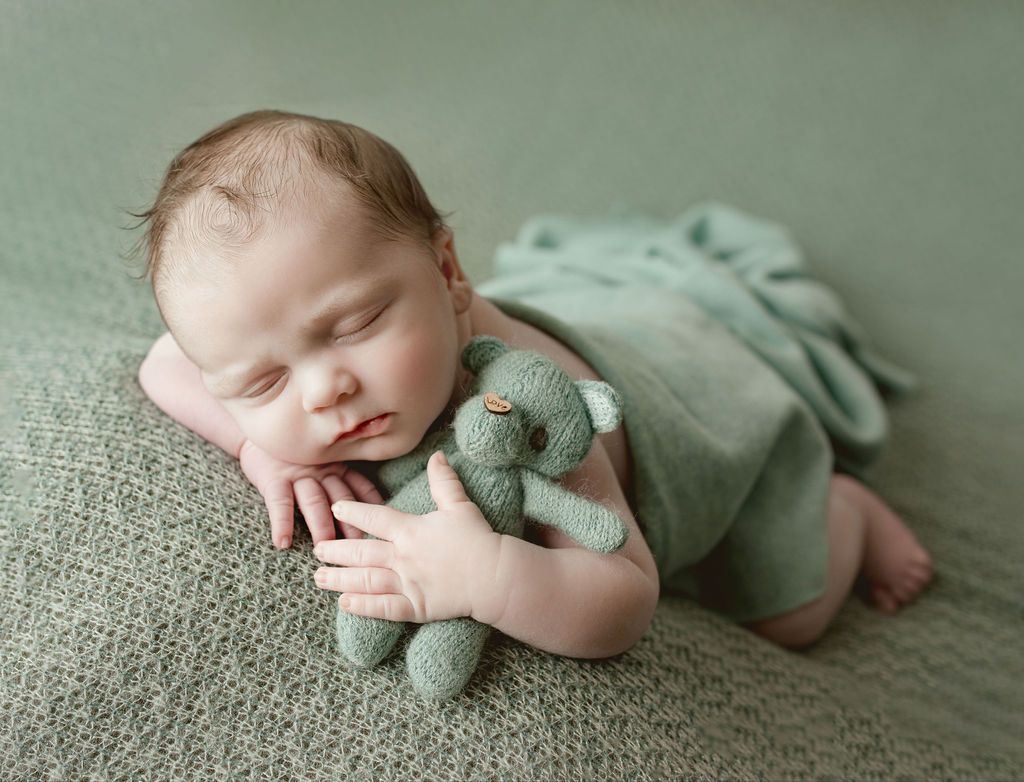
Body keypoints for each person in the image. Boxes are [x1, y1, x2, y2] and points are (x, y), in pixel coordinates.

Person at [133, 109, 932, 659]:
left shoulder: (529, 406)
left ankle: (845, 510)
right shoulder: (254, 342)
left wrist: (487, 576)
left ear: (447, 271)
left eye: (354, 326)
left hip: (694, 415)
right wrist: (256, 444)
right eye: (263, 379)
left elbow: (622, 596)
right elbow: (162, 364)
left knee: (790, 613)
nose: (322, 392)